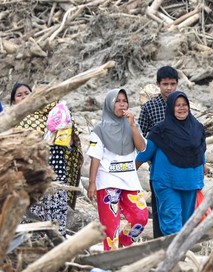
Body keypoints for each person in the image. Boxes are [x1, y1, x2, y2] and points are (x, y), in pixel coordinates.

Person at [10, 82, 83, 235]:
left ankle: (58, 245)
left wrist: (67, 127)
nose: (24, 97)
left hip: (56, 171)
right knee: (33, 218)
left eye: (27, 93)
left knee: (57, 214)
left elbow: (70, 142)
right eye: (19, 95)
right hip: (31, 176)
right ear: (13, 101)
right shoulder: (13, 121)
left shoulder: (53, 113)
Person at [136, 91, 206, 235]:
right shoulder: (160, 130)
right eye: (177, 105)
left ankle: (179, 249)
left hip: (191, 182)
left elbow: (200, 151)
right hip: (166, 182)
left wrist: (204, 166)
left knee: (186, 224)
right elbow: (146, 152)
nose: (182, 108)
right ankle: (173, 250)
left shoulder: (197, 128)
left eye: (184, 104)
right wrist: (129, 170)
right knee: (172, 223)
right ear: (170, 108)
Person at [87, 88, 149, 251]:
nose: (122, 104)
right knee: (111, 228)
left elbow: (142, 148)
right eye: (117, 101)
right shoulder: (99, 129)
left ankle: (124, 241)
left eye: (125, 101)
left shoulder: (132, 125)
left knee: (141, 217)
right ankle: (111, 258)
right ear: (109, 104)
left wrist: (133, 126)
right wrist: (92, 183)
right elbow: (95, 157)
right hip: (107, 182)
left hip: (130, 181)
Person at [138, 66, 179, 238]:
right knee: (160, 206)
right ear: (158, 84)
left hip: (181, 165)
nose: (169, 88)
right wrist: (148, 157)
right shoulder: (150, 107)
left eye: (172, 84)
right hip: (158, 167)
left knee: (178, 206)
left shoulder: (181, 104)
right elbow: (140, 135)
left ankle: (179, 241)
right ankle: (159, 242)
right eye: (165, 84)